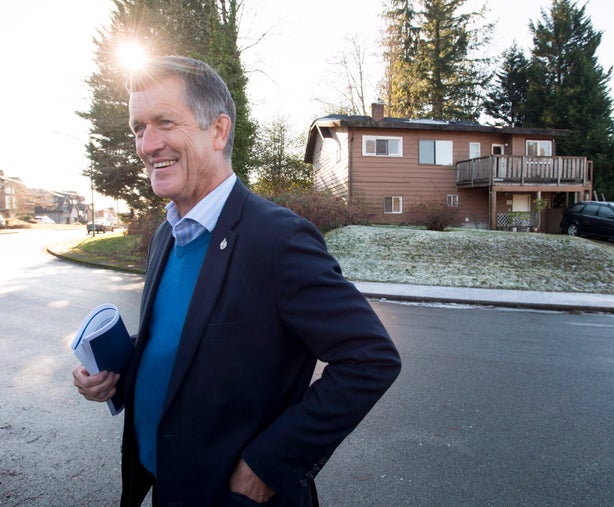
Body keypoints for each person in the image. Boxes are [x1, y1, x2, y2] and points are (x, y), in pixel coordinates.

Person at [72, 55, 401, 507]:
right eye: (138, 128)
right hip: (162, 485)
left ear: (219, 131)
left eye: (164, 122)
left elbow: (372, 359)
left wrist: (268, 465)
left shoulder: (278, 239)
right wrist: (114, 375)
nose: (147, 145)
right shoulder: (168, 232)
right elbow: (188, 343)